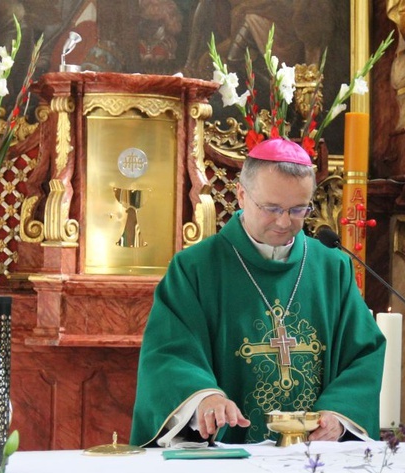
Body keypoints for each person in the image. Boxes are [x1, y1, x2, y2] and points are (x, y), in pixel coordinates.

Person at [131, 137, 386, 446]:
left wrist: (339, 413)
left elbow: (363, 353)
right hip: (227, 461)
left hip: (315, 459)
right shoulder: (196, 268)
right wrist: (203, 398)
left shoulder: (332, 267)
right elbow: (168, 354)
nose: (283, 222)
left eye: (298, 209)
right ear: (241, 195)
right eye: (272, 208)